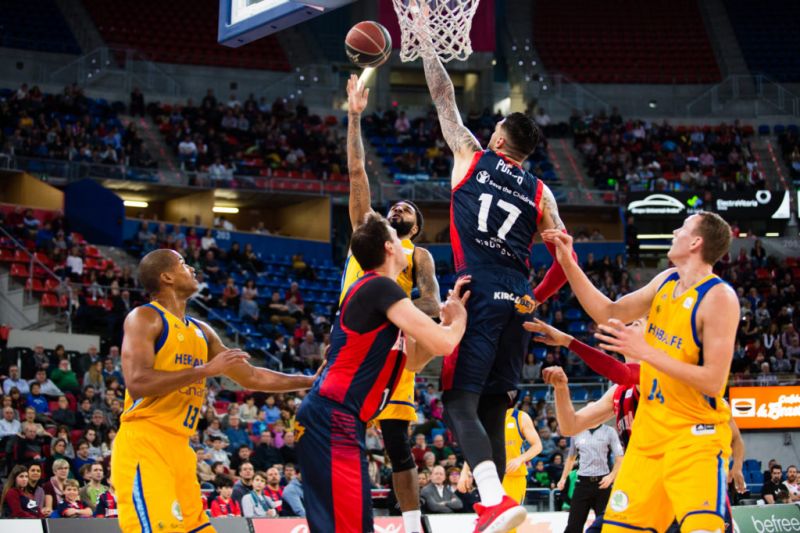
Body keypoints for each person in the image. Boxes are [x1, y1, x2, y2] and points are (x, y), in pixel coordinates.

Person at [417, 19, 570, 531]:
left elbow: (442, 97)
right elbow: (566, 259)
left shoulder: (471, 153)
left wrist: (425, 43)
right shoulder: (541, 193)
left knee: (457, 400)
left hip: (477, 289)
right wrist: (535, 298)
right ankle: (495, 510)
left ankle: (495, 502)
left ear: (500, 137)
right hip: (518, 300)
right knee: (493, 409)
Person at [540, 212, 739, 533]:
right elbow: (610, 313)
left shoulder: (719, 298)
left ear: (696, 242)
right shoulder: (666, 280)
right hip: (648, 439)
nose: (675, 230)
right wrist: (567, 264)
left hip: (694, 438)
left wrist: (645, 351)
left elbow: (714, 380)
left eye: (683, 227)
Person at [111, 249, 319, 533]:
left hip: (181, 448)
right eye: (183, 264)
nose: (192, 269)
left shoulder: (202, 331)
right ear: (167, 276)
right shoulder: (145, 317)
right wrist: (204, 371)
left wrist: (310, 381)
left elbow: (254, 376)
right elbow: (137, 382)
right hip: (145, 442)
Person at [295, 213, 469, 533]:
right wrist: (460, 318)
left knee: (356, 525)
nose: (407, 247)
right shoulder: (379, 288)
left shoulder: (385, 297)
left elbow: (415, 360)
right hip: (333, 416)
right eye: (398, 239)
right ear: (390, 247)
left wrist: (446, 322)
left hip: (342, 419)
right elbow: (445, 345)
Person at [344, 74, 441, 533]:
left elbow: (433, 302)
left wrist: (392, 308)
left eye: (408, 210)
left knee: (397, 443)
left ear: (415, 229)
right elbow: (357, 172)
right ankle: (351, 518)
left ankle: (412, 522)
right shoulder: (366, 235)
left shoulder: (418, 256)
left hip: (394, 349)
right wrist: (354, 118)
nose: (398, 207)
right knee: (344, 438)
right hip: (349, 340)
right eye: (395, 204)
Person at [557, 416, 623, 533]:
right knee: (573, 526)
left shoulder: (609, 431)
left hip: (603, 483)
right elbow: (571, 458)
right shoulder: (576, 432)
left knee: (607, 525)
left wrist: (611, 476)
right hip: (582, 484)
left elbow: (619, 457)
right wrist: (563, 478)